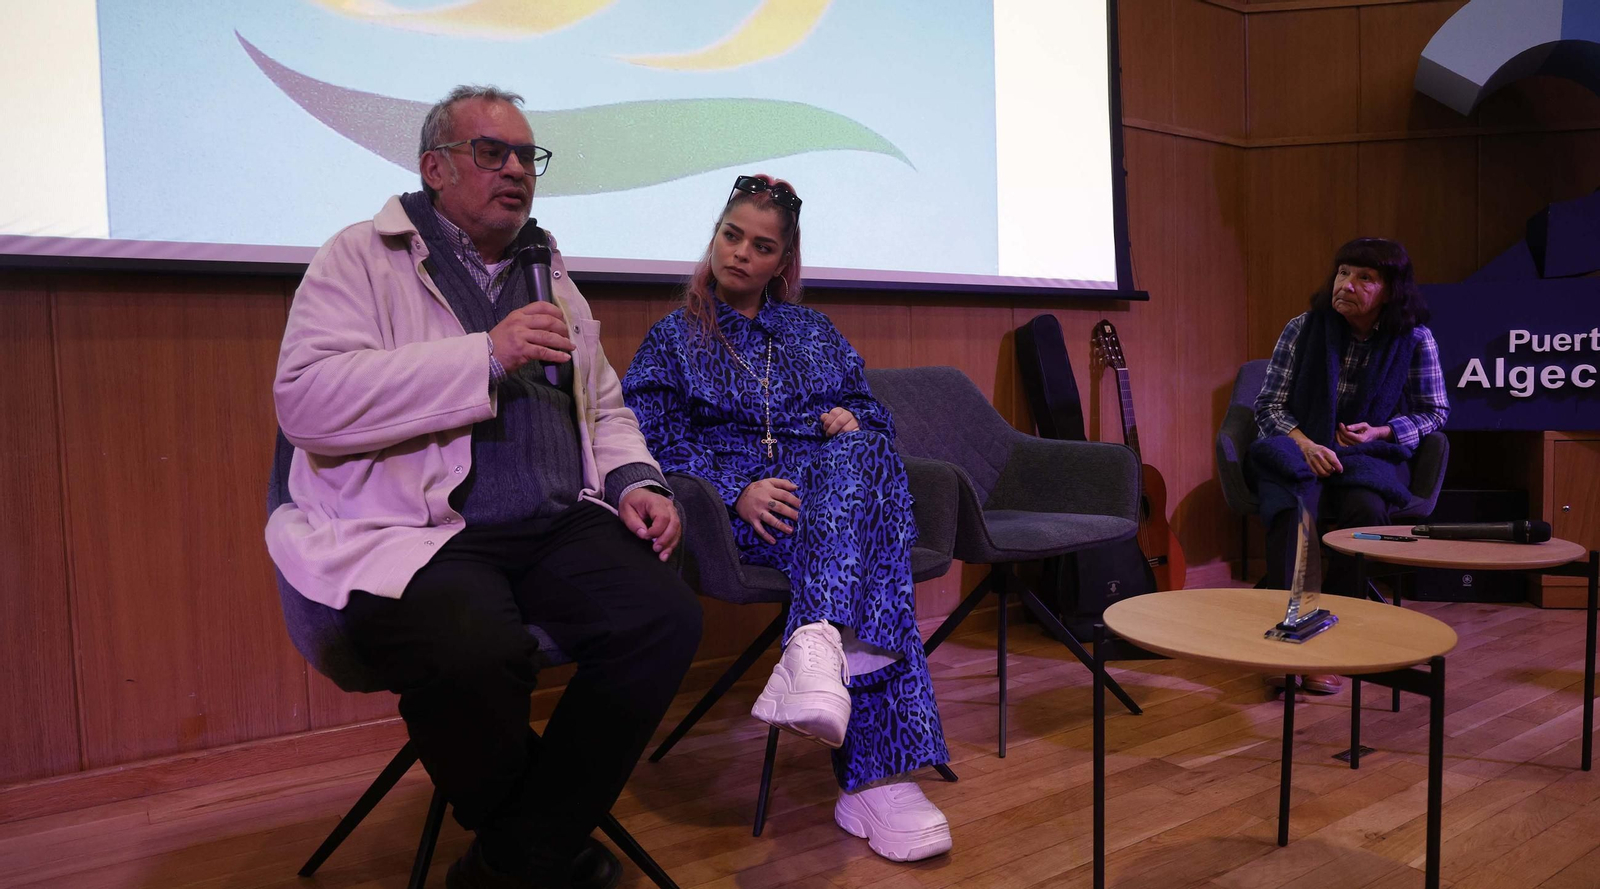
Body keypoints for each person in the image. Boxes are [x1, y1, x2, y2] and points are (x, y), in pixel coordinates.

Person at [266, 85, 700, 889]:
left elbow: (604, 407)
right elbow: (306, 401)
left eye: (526, 156)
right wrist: (484, 356)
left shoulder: (552, 276)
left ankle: (508, 862)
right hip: (422, 529)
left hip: (553, 523)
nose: (515, 170)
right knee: (473, 648)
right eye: (489, 152)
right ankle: (542, 850)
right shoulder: (360, 256)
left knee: (663, 617)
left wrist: (639, 480)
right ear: (434, 168)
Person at [621, 174, 954, 863]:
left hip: (829, 501)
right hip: (741, 516)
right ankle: (878, 778)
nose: (740, 253)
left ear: (783, 261)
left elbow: (876, 415)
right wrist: (734, 485)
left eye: (760, 245)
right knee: (875, 545)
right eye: (731, 235)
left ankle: (815, 643)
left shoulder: (813, 330)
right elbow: (645, 436)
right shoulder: (674, 337)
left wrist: (850, 416)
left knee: (862, 452)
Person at [1249, 237, 1449, 694]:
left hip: (1365, 454)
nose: (1347, 284)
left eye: (1364, 277)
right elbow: (1269, 406)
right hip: (1298, 448)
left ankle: (1328, 641)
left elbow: (1434, 411)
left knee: (1365, 513)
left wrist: (1380, 432)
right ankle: (1284, 644)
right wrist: (1304, 445)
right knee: (1292, 510)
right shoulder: (1302, 327)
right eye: (1343, 273)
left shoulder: (1415, 338)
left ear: (1390, 290)